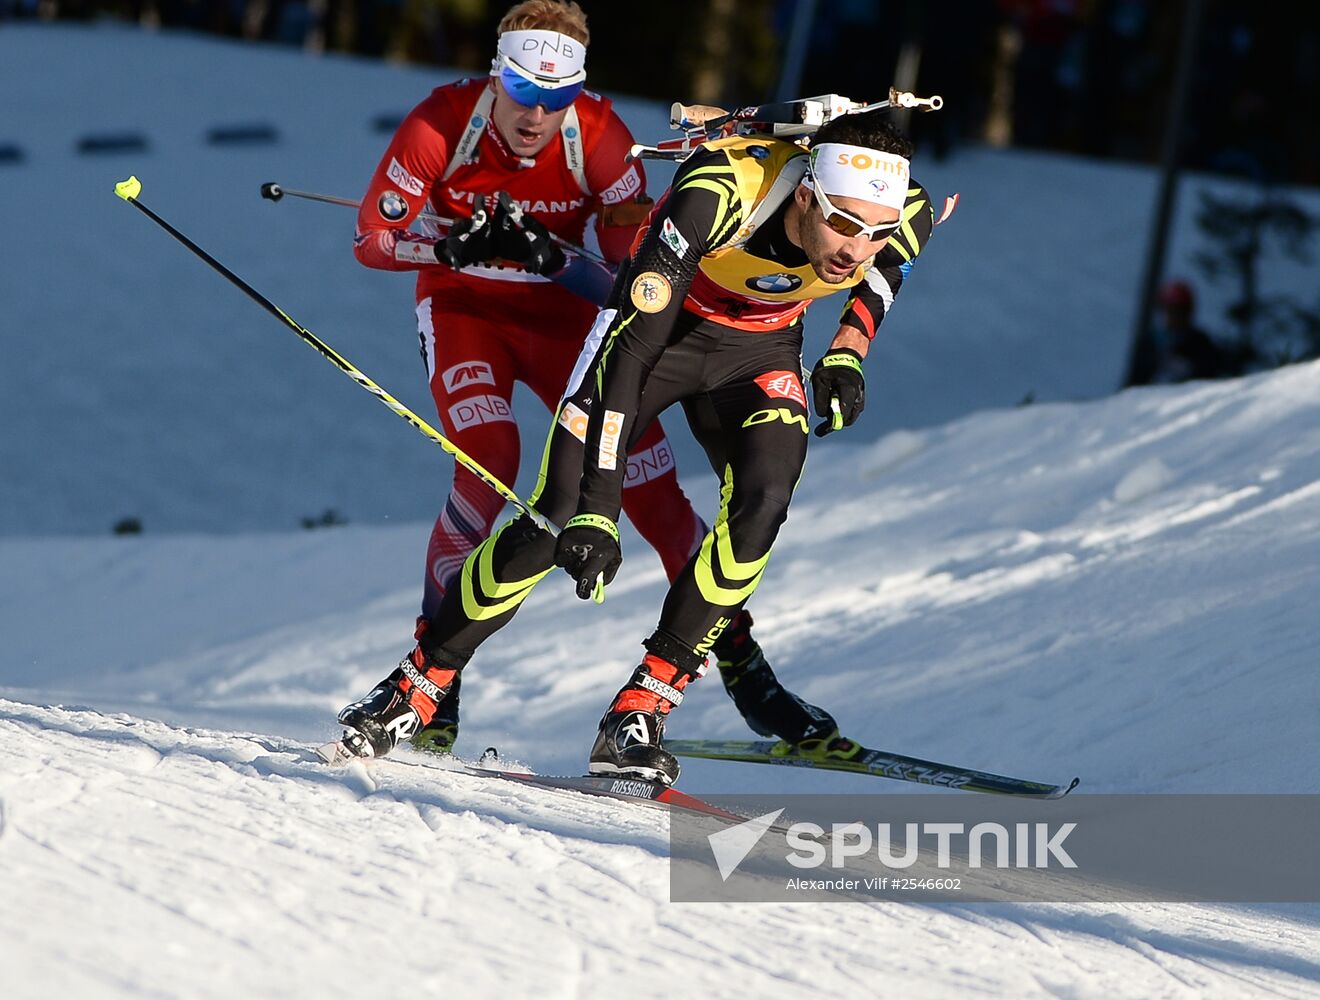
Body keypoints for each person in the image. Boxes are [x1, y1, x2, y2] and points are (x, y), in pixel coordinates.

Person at [347, 0, 826, 755]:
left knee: (658, 501)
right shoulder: (442, 121)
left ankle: (740, 666)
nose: (536, 117)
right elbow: (371, 240)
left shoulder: (600, 139)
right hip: (464, 310)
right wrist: (447, 249)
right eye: (523, 93)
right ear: (496, 76)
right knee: (490, 466)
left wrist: (549, 255)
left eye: (556, 96)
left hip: (565, 324)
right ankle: (433, 681)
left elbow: (631, 277)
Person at [1149, 280, 1225, 383]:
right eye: (1170, 310)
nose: (1174, 316)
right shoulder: (1151, 342)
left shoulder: (1201, 343)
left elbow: (1209, 376)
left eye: (1179, 311)